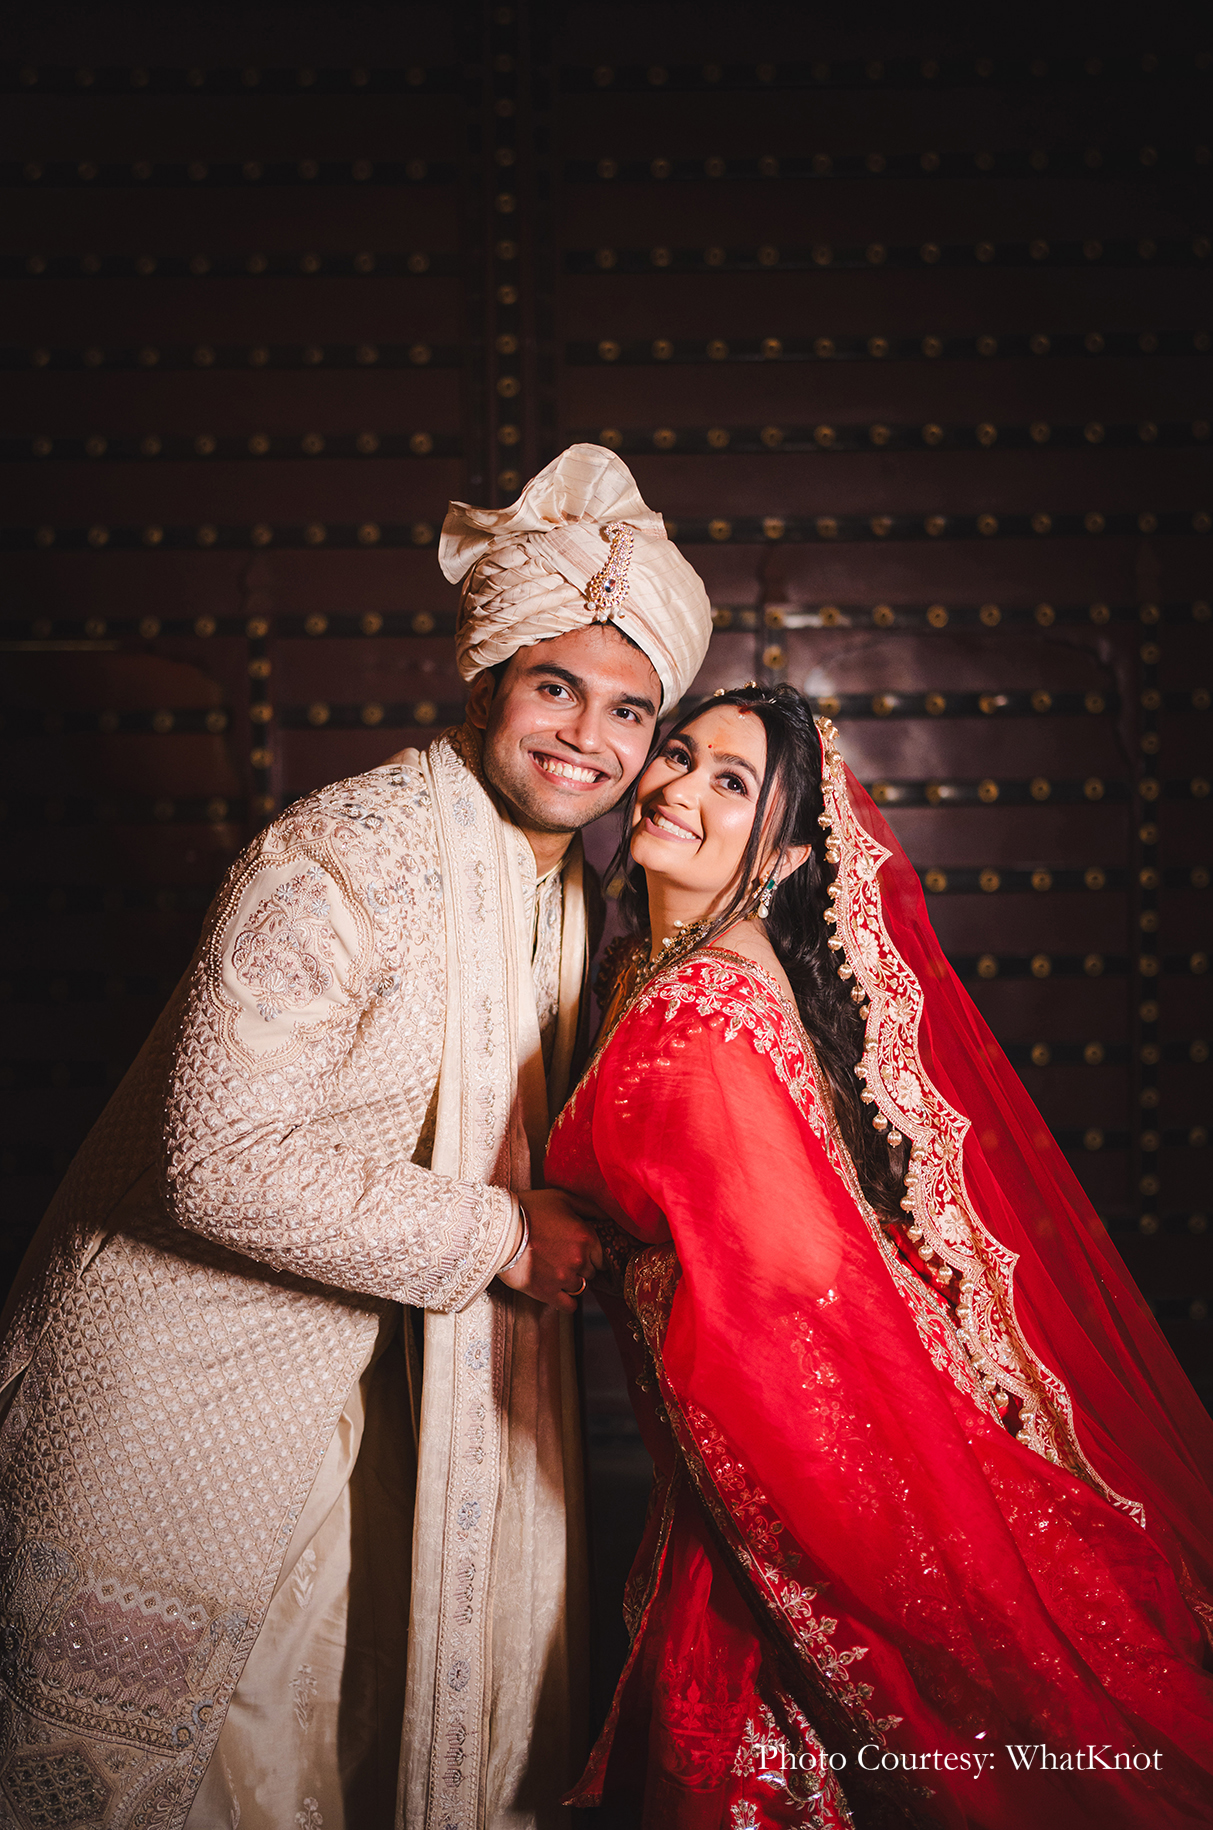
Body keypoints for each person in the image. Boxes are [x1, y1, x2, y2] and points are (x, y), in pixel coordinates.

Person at [0, 445, 711, 1830]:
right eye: (556, 685)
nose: (590, 737)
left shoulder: (559, 890)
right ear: (488, 679)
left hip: (387, 1400)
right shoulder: (341, 858)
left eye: (632, 710)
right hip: (188, 1404)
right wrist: (504, 1235)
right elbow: (213, 1159)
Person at [546, 683, 1213, 1830]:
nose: (673, 788)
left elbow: (784, 1312)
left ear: (786, 854)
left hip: (792, 1476)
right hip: (752, 1459)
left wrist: (866, 1563)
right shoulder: (669, 970)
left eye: (730, 783)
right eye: (678, 754)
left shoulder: (696, 1018)